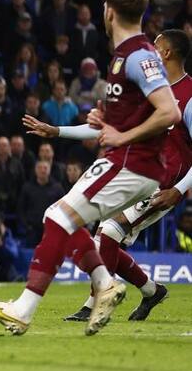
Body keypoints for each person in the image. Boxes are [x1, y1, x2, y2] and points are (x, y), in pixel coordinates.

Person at [0, 0, 180, 336]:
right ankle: (104, 284)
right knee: (59, 217)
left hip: (132, 162)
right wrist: (107, 124)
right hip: (130, 160)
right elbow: (142, 114)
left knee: (58, 217)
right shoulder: (127, 54)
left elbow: (170, 111)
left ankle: (24, 309)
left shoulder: (139, 55)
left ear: (110, 12)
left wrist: (122, 135)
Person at [30, 29, 191, 323]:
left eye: (156, 46)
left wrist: (179, 190)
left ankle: (95, 303)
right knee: (104, 236)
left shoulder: (189, 95)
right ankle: (150, 290)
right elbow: (106, 128)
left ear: (167, 53)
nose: (150, 50)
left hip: (163, 184)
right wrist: (58, 131)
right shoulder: (148, 90)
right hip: (134, 174)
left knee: (109, 232)